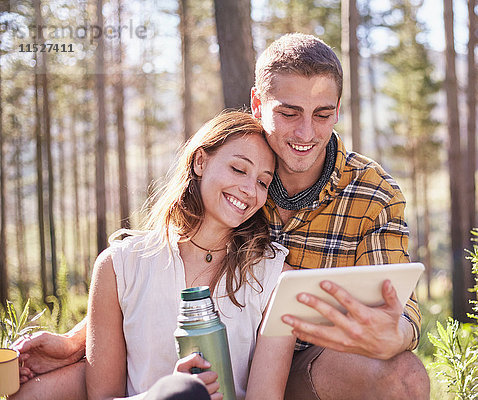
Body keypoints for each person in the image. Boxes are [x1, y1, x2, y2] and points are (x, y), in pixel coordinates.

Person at [15, 33, 430, 399]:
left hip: (309, 365)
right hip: (193, 356)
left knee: (405, 376)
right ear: (257, 104)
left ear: (337, 110)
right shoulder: (234, 167)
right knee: (34, 386)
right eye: (288, 113)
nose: (305, 133)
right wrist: (77, 342)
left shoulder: (372, 194)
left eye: (321, 115)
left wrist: (395, 333)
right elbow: (153, 278)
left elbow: (398, 300)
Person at [14, 112, 296, 400]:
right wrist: (169, 395)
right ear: (200, 161)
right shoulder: (119, 266)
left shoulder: (274, 278)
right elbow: (104, 396)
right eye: (238, 169)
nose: (250, 190)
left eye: (263, 182)